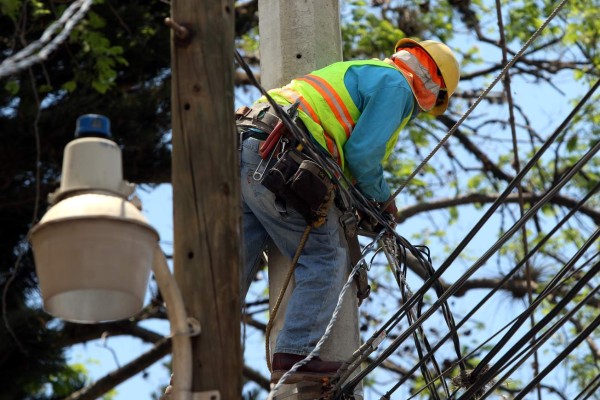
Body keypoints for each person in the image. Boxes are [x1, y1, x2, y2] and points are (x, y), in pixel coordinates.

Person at [238, 38, 460, 384]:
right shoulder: (398, 86)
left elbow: (344, 152)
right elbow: (362, 154)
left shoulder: (364, 71)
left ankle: (196, 355)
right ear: (435, 89)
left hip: (249, 145)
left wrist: (357, 196)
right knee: (326, 257)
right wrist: (383, 198)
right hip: (283, 154)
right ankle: (293, 354)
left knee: (232, 266)